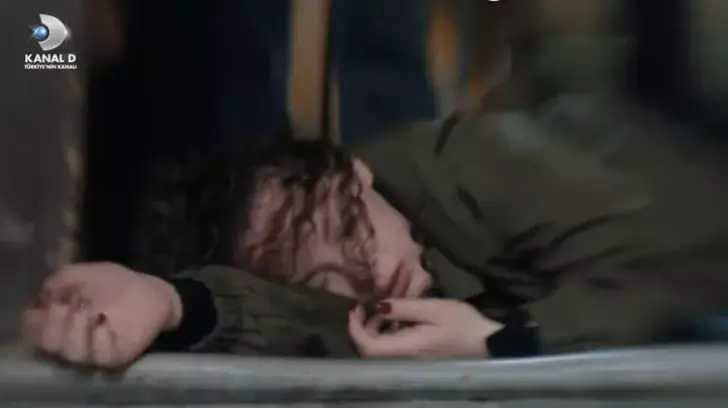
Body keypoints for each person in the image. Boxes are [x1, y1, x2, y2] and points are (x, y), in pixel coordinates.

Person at [23, 109, 728, 367]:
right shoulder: (362, 298)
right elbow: (298, 321)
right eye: (321, 277)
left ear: (357, 175)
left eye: (349, 229)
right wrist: (168, 301)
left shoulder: (473, 163)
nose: (365, 274)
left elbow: (682, 261)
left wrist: (502, 338)